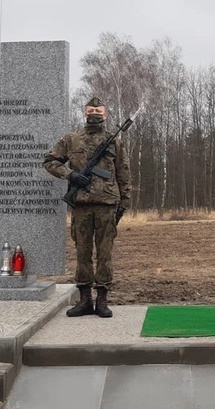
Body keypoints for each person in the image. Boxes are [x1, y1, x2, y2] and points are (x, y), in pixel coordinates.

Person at [43, 97, 131, 318]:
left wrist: (125, 202)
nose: (94, 112)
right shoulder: (71, 139)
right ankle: (84, 300)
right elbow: (50, 161)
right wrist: (71, 175)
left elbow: (123, 172)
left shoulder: (114, 141)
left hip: (107, 205)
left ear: (105, 115)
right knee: (82, 253)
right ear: (84, 113)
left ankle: (102, 300)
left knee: (105, 254)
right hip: (81, 205)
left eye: (98, 110)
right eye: (91, 109)